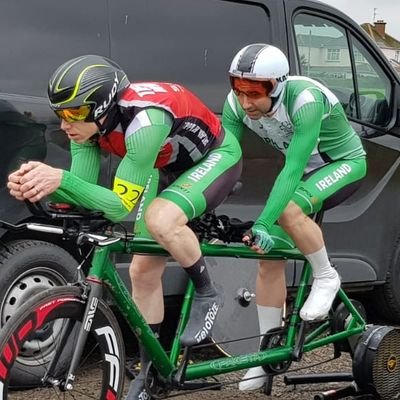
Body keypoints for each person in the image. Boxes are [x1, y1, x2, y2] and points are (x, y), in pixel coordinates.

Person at [7, 55, 242, 399]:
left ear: (102, 108)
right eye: (60, 113)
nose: (64, 125)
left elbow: (119, 206)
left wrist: (60, 178)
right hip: (160, 165)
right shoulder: (86, 128)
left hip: (215, 159)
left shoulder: (144, 123)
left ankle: (207, 292)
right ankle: (151, 374)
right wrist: (38, 183)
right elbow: (83, 193)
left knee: (160, 218)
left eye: (73, 114)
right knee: (142, 272)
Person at [222, 43, 366, 391]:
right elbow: (224, 156)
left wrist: (263, 221)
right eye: (238, 91)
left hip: (342, 165)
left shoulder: (305, 100)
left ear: (278, 85)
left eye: (254, 94)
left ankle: (326, 275)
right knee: (268, 259)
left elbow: (292, 168)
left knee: (288, 210)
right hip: (303, 176)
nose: (245, 103)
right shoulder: (235, 106)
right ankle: (266, 356)